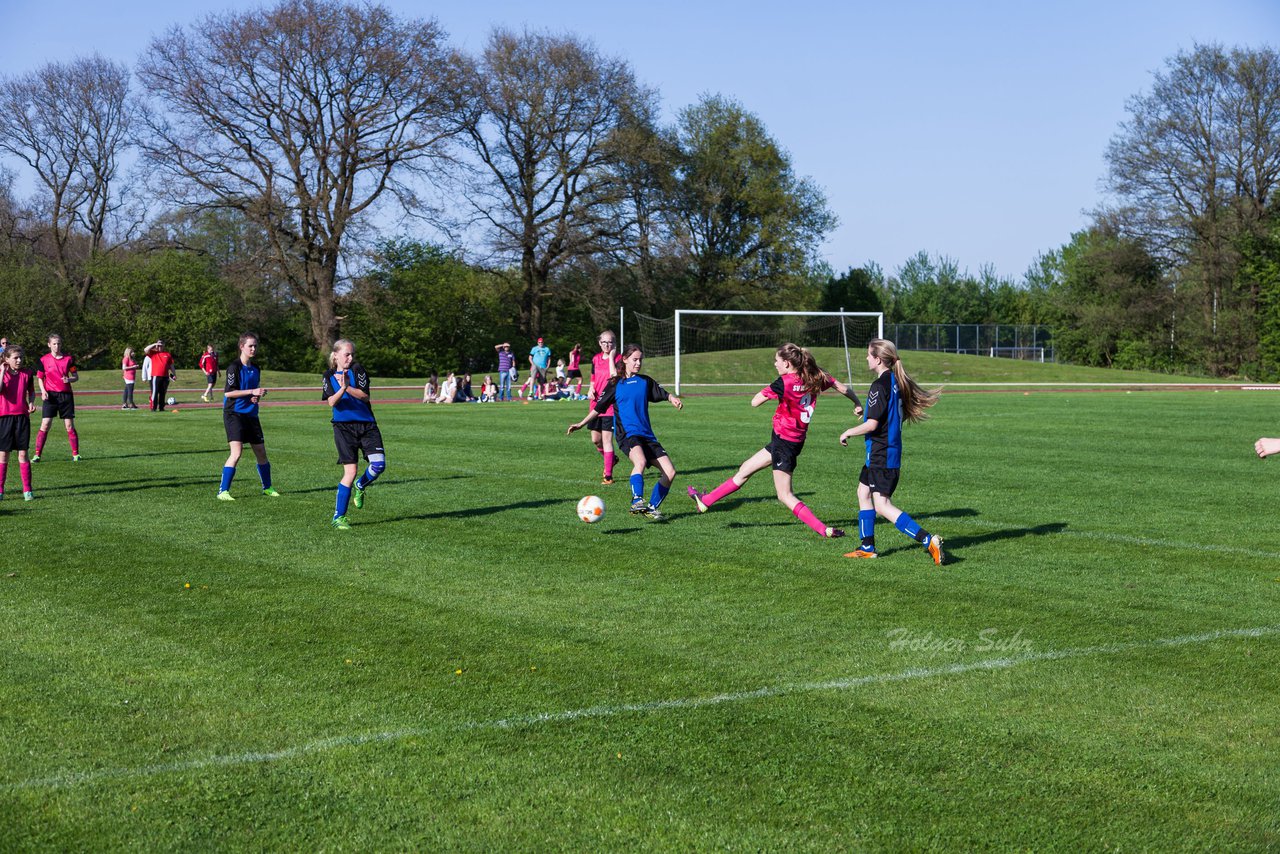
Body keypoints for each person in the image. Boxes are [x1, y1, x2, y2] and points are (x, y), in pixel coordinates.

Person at [688, 343, 862, 540]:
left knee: (785, 495)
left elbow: (755, 401)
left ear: (787, 363)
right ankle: (706, 501)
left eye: (777, 361)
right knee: (745, 469)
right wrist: (857, 403)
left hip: (785, 442)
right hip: (789, 440)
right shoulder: (813, 376)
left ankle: (823, 529)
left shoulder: (784, 382)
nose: (775, 364)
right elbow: (842, 387)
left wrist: (773, 391)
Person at [838, 339, 943, 565]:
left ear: (877, 359)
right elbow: (884, 414)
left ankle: (927, 539)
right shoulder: (895, 381)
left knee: (882, 505)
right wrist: (865, 412)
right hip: (887, 450)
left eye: (868, 355)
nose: (866, 358)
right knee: (862, 493)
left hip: (881, 453)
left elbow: (873, 425)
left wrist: (848, 431)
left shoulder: (879, 386)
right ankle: (867, 546)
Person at [567, 343, 683, 521]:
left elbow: (661, 393)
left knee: (670, 472)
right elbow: (599, 408)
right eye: (635, 360)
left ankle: (651, 508)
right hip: (627, 434)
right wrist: (581, 423)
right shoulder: (615, 384)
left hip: (647, 435)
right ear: (625, 359)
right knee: (640, 461)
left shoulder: (645, 381)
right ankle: (637, 500)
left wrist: (672, 398)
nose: (638, 363)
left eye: (640, 360)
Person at [323, 339, 385, 531]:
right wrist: (342, 388)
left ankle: (361, 485)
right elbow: (331, 402)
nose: (350, 358)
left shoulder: (358, 370)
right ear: (336, 356)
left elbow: (365, 396)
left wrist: (348, 386)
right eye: (346, 354)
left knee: (379, 464)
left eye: (352, 354)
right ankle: (339, 517)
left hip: (367, 425)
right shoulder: (328, 375)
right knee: (349, 472)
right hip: (343, 428)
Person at [216, 333, 279, 501]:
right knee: (236, 453)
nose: (253, 349)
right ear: (241, 347)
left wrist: (255, 396)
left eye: (255, 346)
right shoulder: (234, 367)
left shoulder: (256, 368)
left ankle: (267, 487)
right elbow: (229, 393)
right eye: (250, 345)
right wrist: (252, 392)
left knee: (261, 453)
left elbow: (252, 390)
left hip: (251, 414)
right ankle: (223, 491)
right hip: (234, 414)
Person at [33, 334, 80, 462]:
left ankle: (76, 454)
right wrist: (43, 391)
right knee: (45, 424)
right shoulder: (43, 360)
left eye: (59, 343)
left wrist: (69, 379)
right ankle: (37, 455)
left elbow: (76, 376)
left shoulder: (69, 359)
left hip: (66, 396)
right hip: (50, 396)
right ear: (49, 345)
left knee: (69, 426)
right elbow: (40, 378)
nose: (57, 346)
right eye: (54, 343)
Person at [0, 344, 37, 500]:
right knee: (3, 456)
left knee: (23, 454)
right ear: (6, 359)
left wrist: (31, 402)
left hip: (22, 418)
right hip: (4, 418)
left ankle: (27, 490)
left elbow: (31, 391)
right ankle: (0, 490)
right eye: (16, 357)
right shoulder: (2, 372)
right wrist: (2, 372)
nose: (19, 360)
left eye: (21, 357)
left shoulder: (27, 373)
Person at [586, 329, 623, 484]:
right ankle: (611, 459)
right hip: (595, 404)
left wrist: (612, 357)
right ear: (599, 343)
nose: (607, 345)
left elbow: (615, 376)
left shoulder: (619, 359)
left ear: (615, 343)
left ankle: (608, 475)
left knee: (607, 440)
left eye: (611, 342)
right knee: (596, 440)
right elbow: (593, 377)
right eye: (604, 342)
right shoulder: (595, 359)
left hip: (610, 405)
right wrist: (590, 388)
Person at [143, 339, 176, 412]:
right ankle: (153, 408)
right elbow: (145, 349)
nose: (160, 346)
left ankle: (161, 407)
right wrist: (154, 344)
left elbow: (171, 365)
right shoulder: (153, 353)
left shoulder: (167, 354)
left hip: (165, 376)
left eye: (161, 345)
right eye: (159, 345)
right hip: (155, 376)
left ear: (164, 345)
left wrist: (174, 374)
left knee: (163, 393)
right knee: (154, 392)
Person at [529, 336, 551, 401]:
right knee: (533, 377)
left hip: (543, 366)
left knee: (541, 382)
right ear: (537, 343)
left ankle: (540, 395)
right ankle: (531, 392)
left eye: (541, 342)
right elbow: (530, 357)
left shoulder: (547, 349)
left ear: (543, 342)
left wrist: (548, 366)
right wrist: (533, 364)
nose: (540, 343)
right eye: (539, 342)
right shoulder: (534, 348)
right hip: (535, 365)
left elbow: (549, 359)